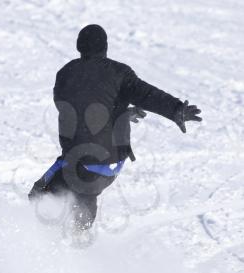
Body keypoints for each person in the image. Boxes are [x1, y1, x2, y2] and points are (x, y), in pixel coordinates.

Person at [28, 24, 202, 231]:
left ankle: (57, 244)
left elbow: (73, 107)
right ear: (105, 47)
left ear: (78, 46)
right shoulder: (120, 72)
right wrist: (175, 109)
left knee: (39, 196)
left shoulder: (65, 74)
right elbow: (146, 94)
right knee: (83, 195)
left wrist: (118, 115)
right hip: (109, 164)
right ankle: (77, 241)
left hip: (76, 162)